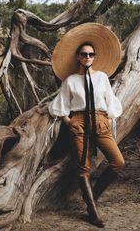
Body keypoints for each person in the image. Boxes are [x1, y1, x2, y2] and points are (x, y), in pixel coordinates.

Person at [49, 22, 125, 228]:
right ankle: (93, 212)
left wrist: (108, 119)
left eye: (91, 54)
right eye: (84, 54)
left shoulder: (102, 78)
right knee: (83, 168)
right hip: (79, 121)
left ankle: (93, 198)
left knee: (118, 162)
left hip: (100, 119)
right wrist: (69, 122)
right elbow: (59, 106)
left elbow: (111, 101)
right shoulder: (71, 81)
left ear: (95, 56)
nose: (88, 57)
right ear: (78, 57)